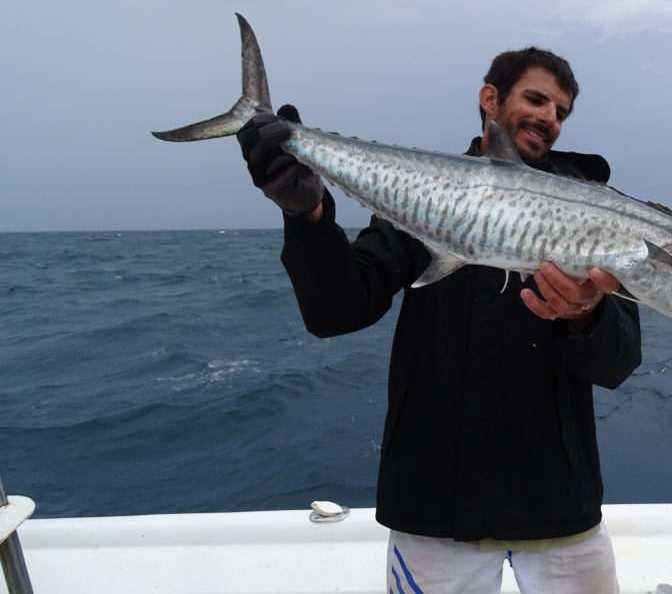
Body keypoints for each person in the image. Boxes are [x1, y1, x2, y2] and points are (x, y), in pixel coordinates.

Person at [237, 47, 642, 594]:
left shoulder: (599, 212)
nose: (550, 117)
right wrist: (307, 216)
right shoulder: (425, 194)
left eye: (561, 112)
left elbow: (619, 363)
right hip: (434, 507)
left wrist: (585, 313)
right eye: (536, 99)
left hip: (559, 505)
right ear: (490, 98)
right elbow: (336, 311)